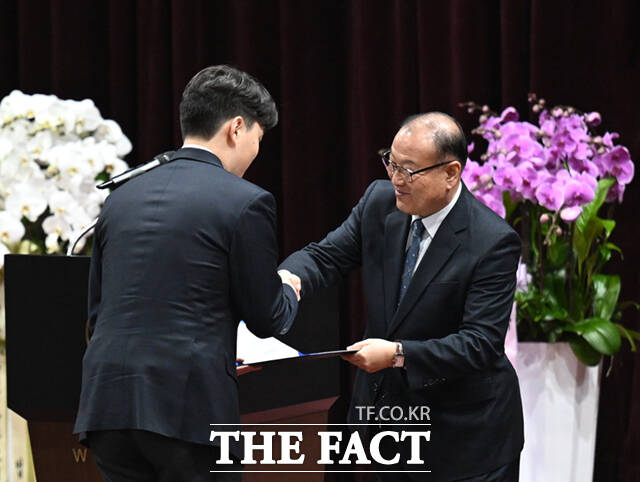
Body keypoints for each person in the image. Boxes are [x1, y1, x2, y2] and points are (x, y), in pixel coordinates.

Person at [74, 65, 301, 482]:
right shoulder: (246, 201)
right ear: (236, 128)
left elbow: (97, 314)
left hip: (108, 406)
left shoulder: (120, 197)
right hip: (189, 411)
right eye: (258, 139)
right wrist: (287, 288)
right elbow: (267, 318)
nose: (255, 153)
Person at [280, 112, 523, 481]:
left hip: (463, 437)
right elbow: (324, 256)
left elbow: (479, 345)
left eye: (408, 170)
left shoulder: (492, 241)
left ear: (451, 173)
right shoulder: (379, 204)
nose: (395, 179)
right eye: (391, 163)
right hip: (390, 425)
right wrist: (286, 278)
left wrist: (397, 354)